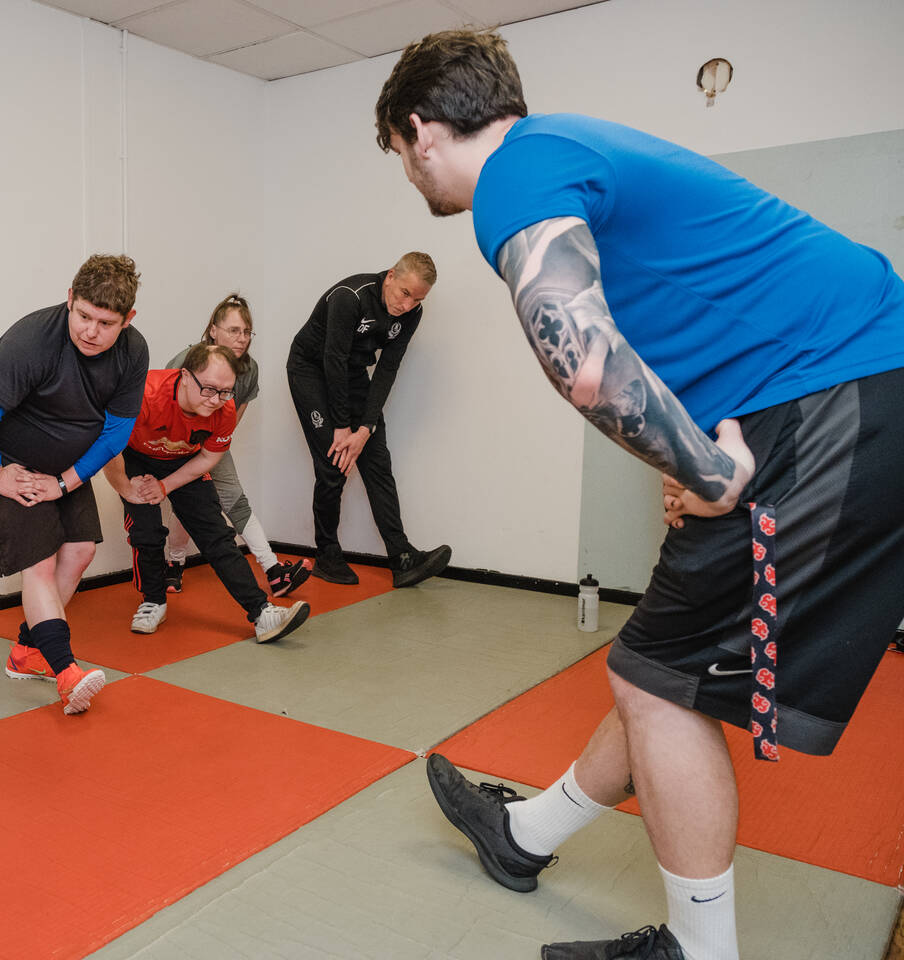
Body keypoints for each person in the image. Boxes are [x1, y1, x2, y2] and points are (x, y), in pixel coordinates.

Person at [375, 28, 904, 960]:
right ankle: (525, 834)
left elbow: (580, 356)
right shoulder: (568, 147)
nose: (413, 175)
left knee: (651, 687)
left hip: (829, 398)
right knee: (660, 668)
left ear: (420, 132)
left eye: (400, 156)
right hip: (834, 392)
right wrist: (691, 460)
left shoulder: (514, 172)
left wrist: (711, 471)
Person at [0, 254, 148, 716]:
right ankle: (66, 672)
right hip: (10, 466)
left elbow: (115, 434)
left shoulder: (132, 351)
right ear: (69, 299)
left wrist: (63, 484)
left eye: (105, 323)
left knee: (80, 552)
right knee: (39, 564)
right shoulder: (32, 340)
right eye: (83, 315)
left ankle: (27, 651)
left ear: (128, 321)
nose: (90, 331)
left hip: (65, 471)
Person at [103, 344, 311, 643]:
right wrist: (126, 488)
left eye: (225, 391)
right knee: (146, 532)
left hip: (185, 461)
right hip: (135, 457)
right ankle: (153, 601)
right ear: (185, 376)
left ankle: (262, 613)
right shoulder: (143, 393)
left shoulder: (223, 409)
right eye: (209, 389)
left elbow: (207, 458)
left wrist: (165, 486)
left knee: (216, 534)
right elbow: (108, 447)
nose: (217, 400)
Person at [286, 254, 452, 588]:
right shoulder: (352, 296)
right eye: (405, 293)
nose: (408, 305)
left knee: (377, 462)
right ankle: (328, 556)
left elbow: (388, 368)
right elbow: (333, 359)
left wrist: (366, 428)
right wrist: (344, 427)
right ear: (390, 276)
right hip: (312, 371)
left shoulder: (412, 313)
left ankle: (402, 556)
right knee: (334, 463)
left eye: (418, 299)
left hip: (353, 374)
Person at [160, 293, 311, 599]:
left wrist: (213, 451)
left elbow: (232, 418)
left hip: (210, 444)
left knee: (235, 501)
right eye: (233, 330)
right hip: (172, 443)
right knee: (187, 504)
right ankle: (173, 565)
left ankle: (273, 572)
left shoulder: (249, 369)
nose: (241, 339)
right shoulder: (187, 361)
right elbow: (165, 403)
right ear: (213, 330)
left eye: (246, 332)